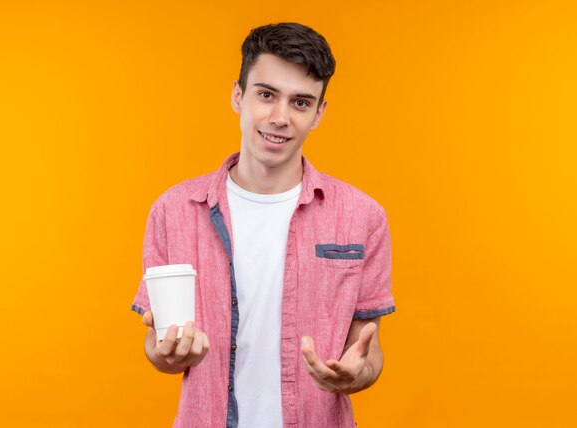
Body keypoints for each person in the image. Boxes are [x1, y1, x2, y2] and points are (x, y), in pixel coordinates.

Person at [131, 22, 395, 428]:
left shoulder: (363, 217)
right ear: (238, 96)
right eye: (266, 95)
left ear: (319, 113)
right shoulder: (174, 210)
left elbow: (367, 348)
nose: (280, 117)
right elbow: (155, 344)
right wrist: (168, 353)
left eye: (301, 103)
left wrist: (360, 373)